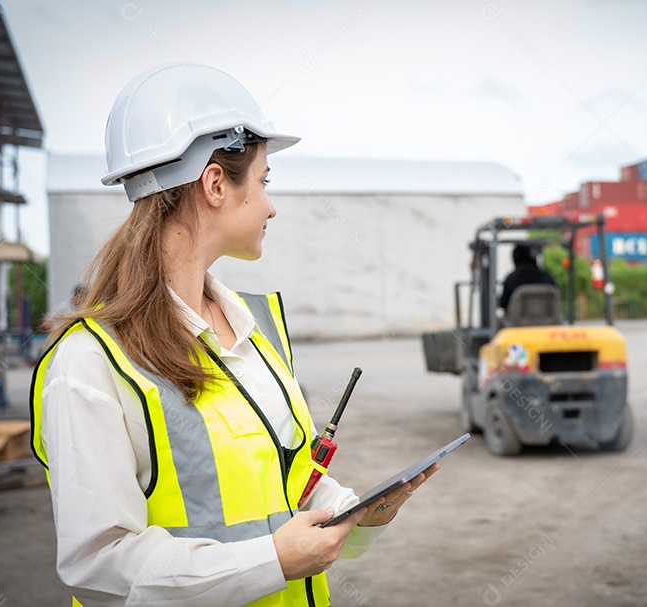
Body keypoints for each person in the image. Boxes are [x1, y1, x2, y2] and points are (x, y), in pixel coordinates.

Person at [30, 64, 437, 607]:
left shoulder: (256, 327)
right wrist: (274, 561)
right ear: (216, 183)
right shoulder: (89, 363)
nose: (271, 204)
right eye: (264, 180)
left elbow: (283, 472)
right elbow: (99, 564)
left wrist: (354, 510)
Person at [498, 244, 556, 312]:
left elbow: (503, 304)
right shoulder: (547, 277)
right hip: (548, 321)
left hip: (517, 322)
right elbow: (556, 298)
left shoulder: (511, 279)